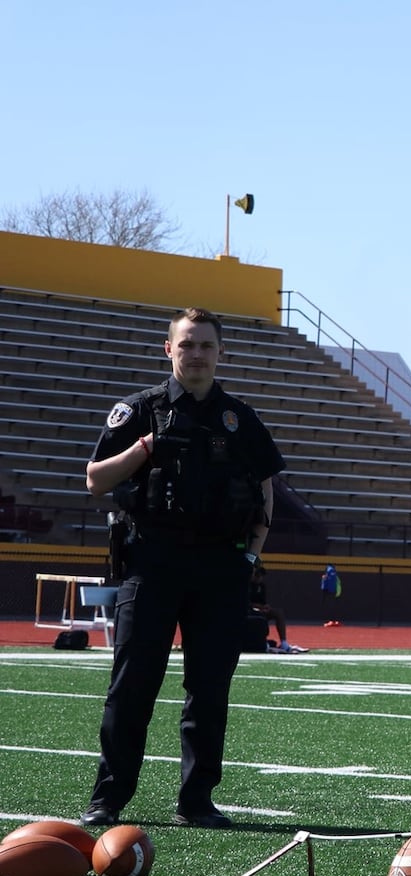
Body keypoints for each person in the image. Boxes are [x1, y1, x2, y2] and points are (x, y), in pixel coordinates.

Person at [80, 308, 285, 829]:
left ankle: (197, 800)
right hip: (152, 561)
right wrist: (145, 448)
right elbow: (95, 480)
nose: (196, 354)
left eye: (206, 346)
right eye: (187, 344)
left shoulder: (240, 418)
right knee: (132, 685)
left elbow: (265, 488)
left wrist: (250, 554)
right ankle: (109, 797)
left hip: (220, 566)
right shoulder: (138, 411)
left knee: (209, 689)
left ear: (220, 354)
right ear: (168, 349)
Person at [249, 563, 302, 653]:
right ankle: (263, 642)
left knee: (278, 613)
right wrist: (260, 607)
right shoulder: (247, 585)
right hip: (249, 611)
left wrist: (265, 607)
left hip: (260, 610)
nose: (259, 578)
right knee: (259, 616)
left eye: (261, 576)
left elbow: (263, 602)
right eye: (257, 576)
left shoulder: (261, 586)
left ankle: (284, 643)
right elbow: (246, 603)